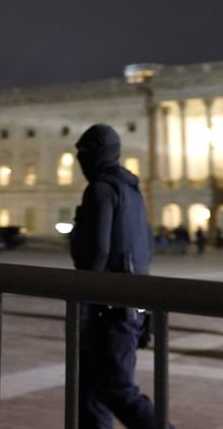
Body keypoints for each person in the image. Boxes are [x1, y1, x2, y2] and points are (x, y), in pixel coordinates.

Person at [69, 124, 169, 429]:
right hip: (130, 303)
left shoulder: (100, 188)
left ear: (92, 156)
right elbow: (145, 246)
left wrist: (85, 300)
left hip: (105, 308)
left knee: (116, 390)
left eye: (82, 155)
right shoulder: (132, 189)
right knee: (89, 393)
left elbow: (96, 253)